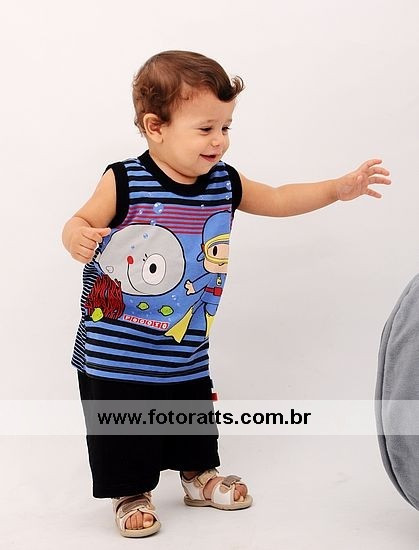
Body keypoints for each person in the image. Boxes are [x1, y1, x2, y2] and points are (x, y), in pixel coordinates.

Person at [61, 50, 391, 538]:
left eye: (226, 127)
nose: (219, 140)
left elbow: (277, 197)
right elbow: (80, 219)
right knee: (122, 423)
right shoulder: (124, 180)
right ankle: (130, 491)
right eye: (206, 128)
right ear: (156, 127)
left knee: (191, 408)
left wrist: (336, 189)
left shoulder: (224, 183)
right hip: (117, 346)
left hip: (184, 338)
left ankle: (197, 476)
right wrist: (77, 237)